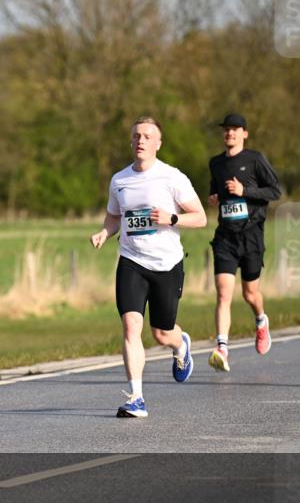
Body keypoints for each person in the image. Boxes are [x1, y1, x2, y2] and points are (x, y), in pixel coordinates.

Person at [90, 117, 207, 418]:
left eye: (147, 136)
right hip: (131, 261)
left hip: (167, 264)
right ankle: (136, 397)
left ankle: (179, 344)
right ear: (131, 142)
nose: (140, 141)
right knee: (131, 327)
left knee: (161, 333)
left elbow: (201, 217)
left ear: (158, 143)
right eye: (136, 136)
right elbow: (114, 216)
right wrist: (105, 231)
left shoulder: (172, 178)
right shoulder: (119, 180)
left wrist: (173, 219)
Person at [206, 113, 281, 372]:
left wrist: (245, 191)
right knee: (224, 292)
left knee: (249, 293)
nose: (230, 134)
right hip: (226, 236)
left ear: (244, 134)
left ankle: (261, 321)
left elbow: (275, 191)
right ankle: (222, 349)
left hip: (251, 236)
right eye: (226, 130)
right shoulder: (215, 163)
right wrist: (214, 197)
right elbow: (215, 189)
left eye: (235, 130)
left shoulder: (255, 160)